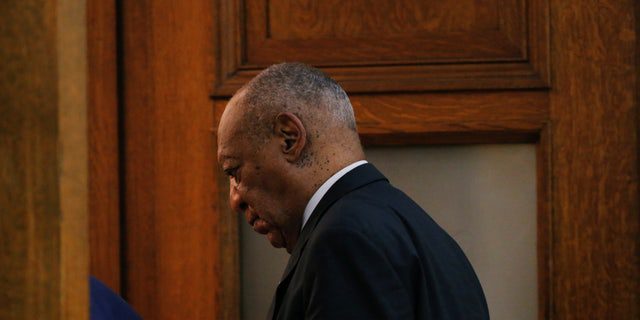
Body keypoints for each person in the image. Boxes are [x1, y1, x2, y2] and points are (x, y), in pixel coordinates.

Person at [217, 62, 489, 319]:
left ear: (289, 138)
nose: (235, 199)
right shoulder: (427, 236)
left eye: (234, 171)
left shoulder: (344, 240)